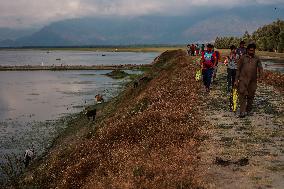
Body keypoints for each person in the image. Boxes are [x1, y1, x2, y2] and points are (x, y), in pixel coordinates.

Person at [235, 43, 263, 118]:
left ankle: (248, 109)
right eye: (250, 50)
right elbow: (238, 69)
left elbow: (260, 68)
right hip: (242, 80)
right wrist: (236, 80)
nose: (251, 52)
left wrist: (260, 77)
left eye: (253, 50)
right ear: (247, 50)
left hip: (253, 81)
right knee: (242, 95)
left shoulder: (257, 58)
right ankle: (242, 111)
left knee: (251, 96)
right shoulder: (243, 58)